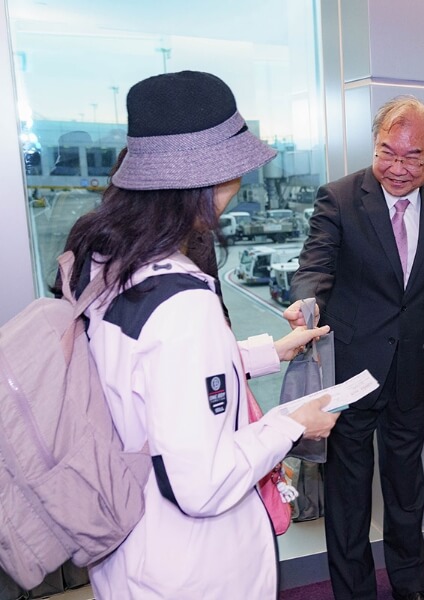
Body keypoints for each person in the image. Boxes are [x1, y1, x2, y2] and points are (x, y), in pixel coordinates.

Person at [59, 70, 339, 599]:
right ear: (205, 182)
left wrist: (268, 352)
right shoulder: (184, 302)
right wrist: (290, 424)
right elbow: (204, 482)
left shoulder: (104, 263)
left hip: (133, 550)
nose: (238, 188)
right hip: (197, 569)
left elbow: (148, 375)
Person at [285, 95, 424, 600]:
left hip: (413, 370)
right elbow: (314, 265)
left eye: (412, 156)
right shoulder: (340, 197)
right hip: (351, 372)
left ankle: (411, 585)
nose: (397, 167)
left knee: (406, 487)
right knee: (348, 493)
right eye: (387, 152)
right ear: (375, 143)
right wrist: (306, 302)